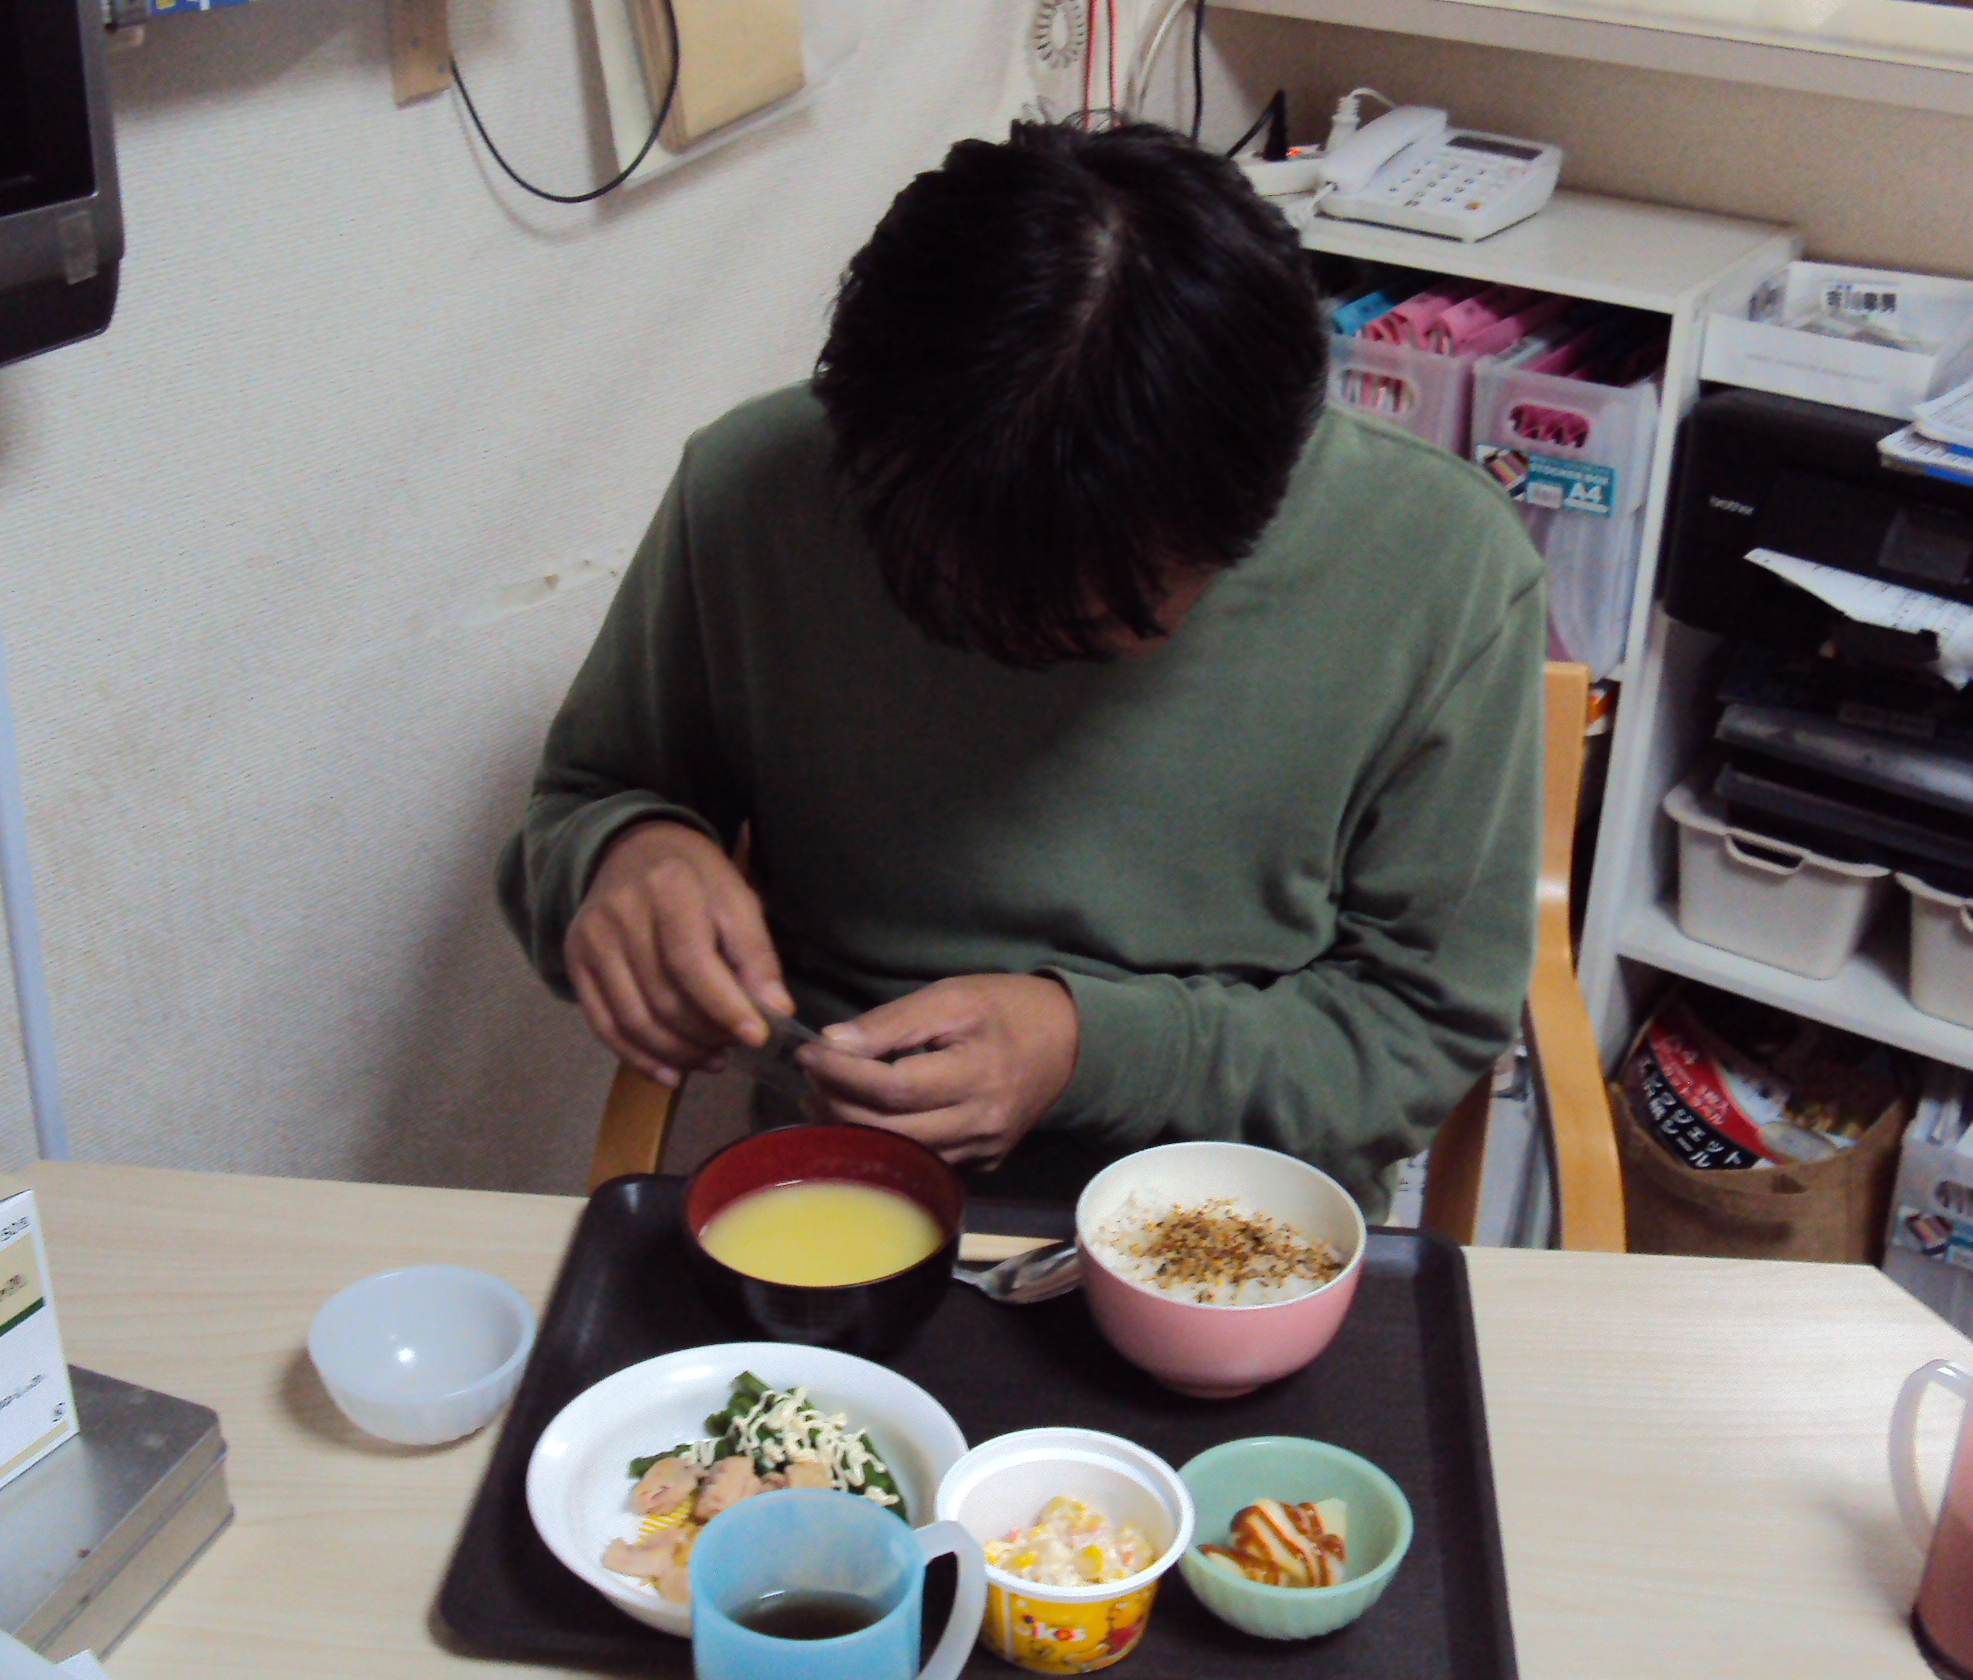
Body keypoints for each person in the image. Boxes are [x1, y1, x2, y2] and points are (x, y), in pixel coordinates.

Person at [501, 118, 1543, 1215]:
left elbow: (1423, 1025)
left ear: (1255, 516)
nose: (1005, 643)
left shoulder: (1441, 566)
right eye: (939, 591)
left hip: (1244, 1224)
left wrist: (1089, 1052)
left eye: (1085, 624)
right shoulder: (761, 487)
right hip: (851, 1205)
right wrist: (628, 855)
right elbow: (578, 809)